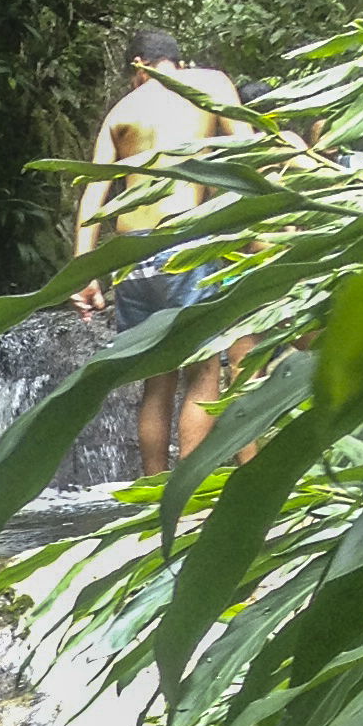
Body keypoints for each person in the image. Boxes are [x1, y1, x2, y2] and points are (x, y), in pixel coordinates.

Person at [72, 25, 245, 472]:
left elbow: (94, 195)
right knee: (204, 370)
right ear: (176, 62)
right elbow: (250, 149)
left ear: (138, 68)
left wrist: (84, 273)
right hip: (186, 238)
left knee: (156, 381)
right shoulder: (209, 83)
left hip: (129, 254)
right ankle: (187, 495)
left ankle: (151, 500)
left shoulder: (121, 110)